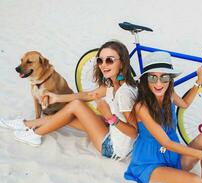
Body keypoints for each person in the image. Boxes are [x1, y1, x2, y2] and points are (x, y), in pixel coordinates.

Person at [0, 40, 138, 160]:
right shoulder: (114, 83)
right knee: (67, 114)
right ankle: (26, 124)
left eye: (110, 60)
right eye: (100, 60)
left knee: (76, 106)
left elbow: (134, 133)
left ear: (122, 63)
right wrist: (57, 97)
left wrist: (110, 117)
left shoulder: (124, 93)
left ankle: (35, 133)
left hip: (113, 148)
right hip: (113, 130)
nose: (103, 64)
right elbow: (89, 95)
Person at [124, 51, 202, 183]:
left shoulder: (169, 93)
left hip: (173, 158)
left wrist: (198, 81)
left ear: (170, 79)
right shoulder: (142, 108)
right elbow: (166, 142)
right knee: (194, 180)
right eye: (153, 77)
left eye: (164, 77)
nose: (159, 84)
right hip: (150, 164)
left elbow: (184, 104)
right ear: (146, 80)